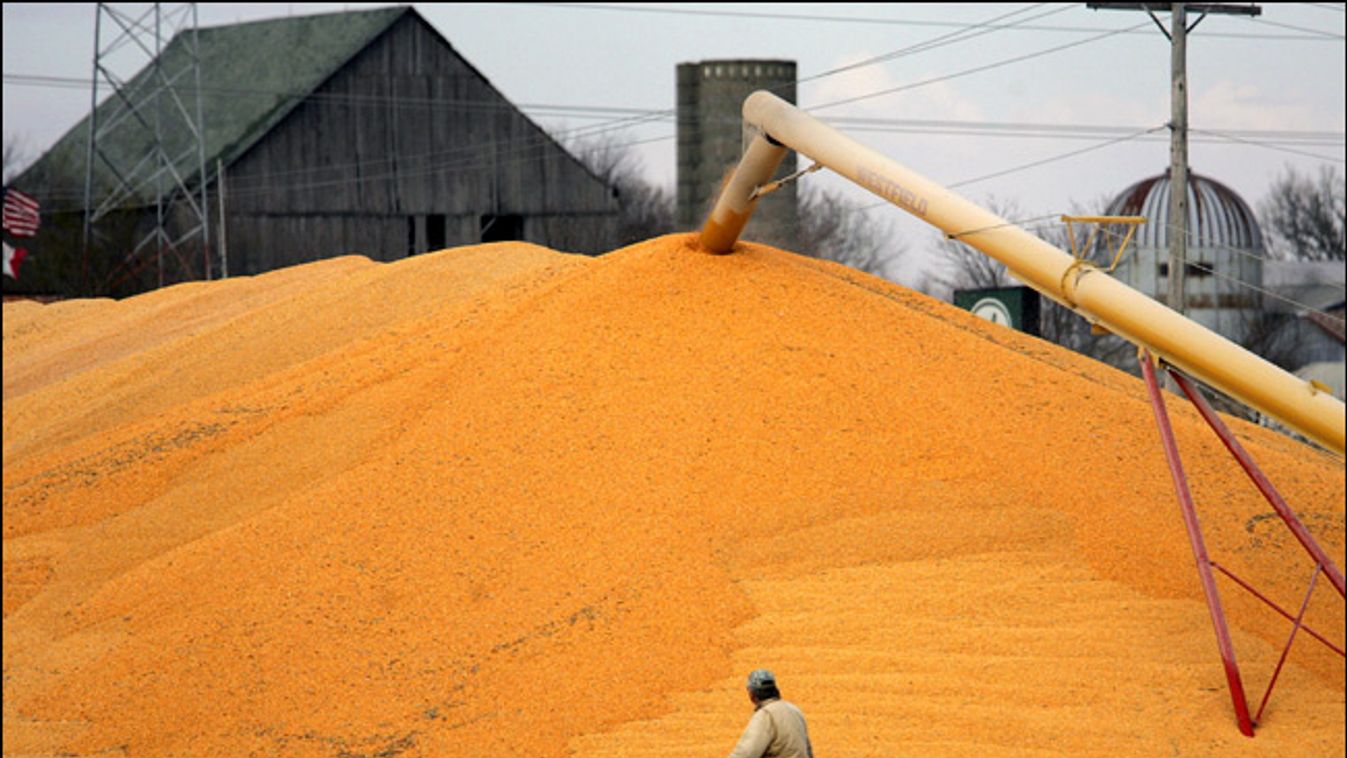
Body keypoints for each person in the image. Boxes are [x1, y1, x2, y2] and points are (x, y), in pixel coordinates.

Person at [726, 669, 814, 758]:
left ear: (752, 694)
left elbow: (746, 752)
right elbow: (808, 750)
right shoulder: (794, 710)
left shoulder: (766, 714)